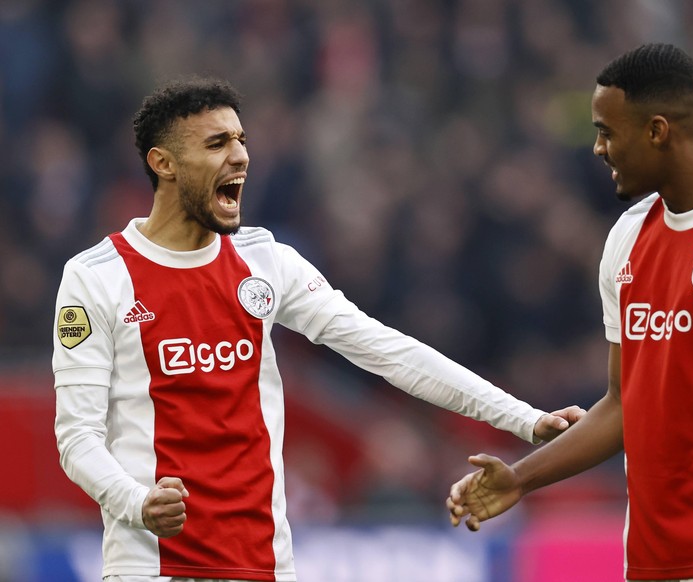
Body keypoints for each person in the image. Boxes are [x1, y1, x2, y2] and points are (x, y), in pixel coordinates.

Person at [52, 76, 583, 582]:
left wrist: (525, 419)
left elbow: (387, 350)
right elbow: (77, 437)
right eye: (217, 143)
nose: (240, 156)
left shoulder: (265, 261)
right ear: (162, 163)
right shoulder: (97, 278)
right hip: (151, 564)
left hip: (262, 563)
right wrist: (137, 503)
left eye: (241, 140)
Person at [446, 43, 693, 582]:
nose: (597, 149)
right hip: (649, 562)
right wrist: (520, 479)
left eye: (607, 132)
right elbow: (623, 404)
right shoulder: (628, 238)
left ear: (658, 130)